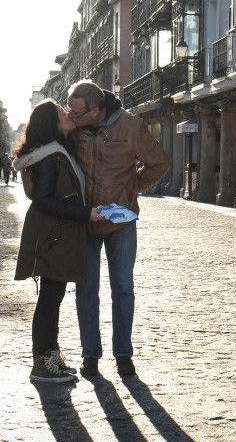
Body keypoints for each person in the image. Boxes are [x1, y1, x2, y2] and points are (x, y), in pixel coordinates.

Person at [66, 80, 170, 377]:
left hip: (121, 221)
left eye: (76, 112)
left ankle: (123, 354)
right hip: (85, 218)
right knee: (86, 289)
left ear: (95, 111)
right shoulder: (72, 130)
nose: (70, 116)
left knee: (122, 287)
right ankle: (90, 355)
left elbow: (158, 163)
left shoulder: (130, 126)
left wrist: (132, 188)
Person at [13, 100, 105, 383]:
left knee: (54, 297)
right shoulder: (48, 158)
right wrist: (86, 213)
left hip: (59, 234)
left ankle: (51, 357)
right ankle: (41, 364)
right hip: (53, 235)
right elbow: (43, 201)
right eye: (62, 113)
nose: (68, 114)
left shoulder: (57, 152)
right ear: (52, 123)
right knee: (49, 300)